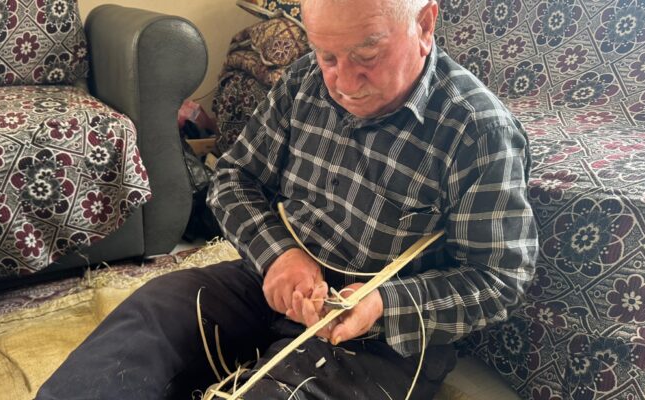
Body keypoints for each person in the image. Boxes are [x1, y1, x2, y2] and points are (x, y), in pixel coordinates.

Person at [37, 0, 538, 398]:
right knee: (148, 319)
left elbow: (499, 277)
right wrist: (279, 256)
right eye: (327, 55)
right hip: (281, 278)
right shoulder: (303, 81)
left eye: (367, 55)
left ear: (425, 24)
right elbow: (233, 178)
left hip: (383, 334)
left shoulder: (477, 129)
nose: (342, 82)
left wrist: (382, 303)